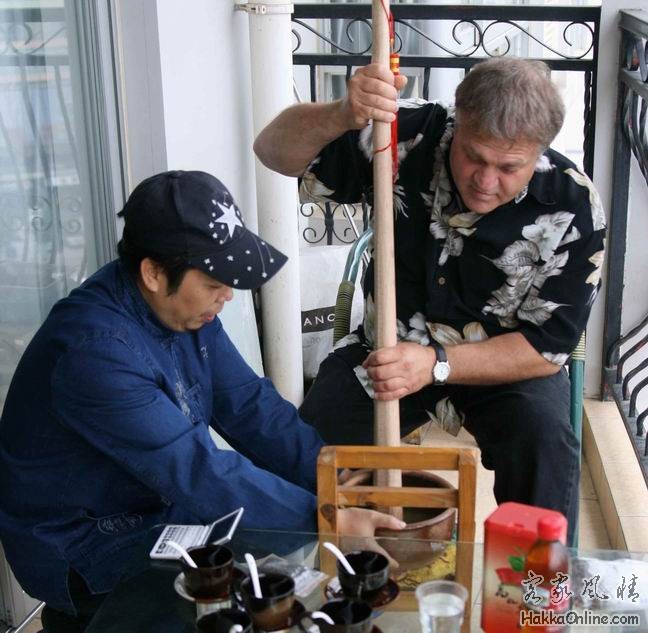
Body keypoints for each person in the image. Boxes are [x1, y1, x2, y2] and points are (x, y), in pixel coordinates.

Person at [0, 171, 404, 632]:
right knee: (250, 592)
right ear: (154, 272)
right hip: (87, 541)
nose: (227, 296)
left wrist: (336, 479)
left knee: (274, 568)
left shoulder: (181, 309)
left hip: (160, 505)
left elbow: (249, 405)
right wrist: (327, 520)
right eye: (214, 282)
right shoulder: (94, 352)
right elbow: (195, 470)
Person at [254, 57, 607, 546]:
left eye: (509, 168)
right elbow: (271, 151)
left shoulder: (572, 205)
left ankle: (533, 588)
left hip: (501, 365)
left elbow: (546, 349)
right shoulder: (406, 134)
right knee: (305, 454)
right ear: (458, 121)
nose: (486, 180)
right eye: (474, 157)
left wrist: (436, 363)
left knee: (544, 447)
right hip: (387, 348)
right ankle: (324, 577)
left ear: (540, 151)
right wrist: (340, 113)